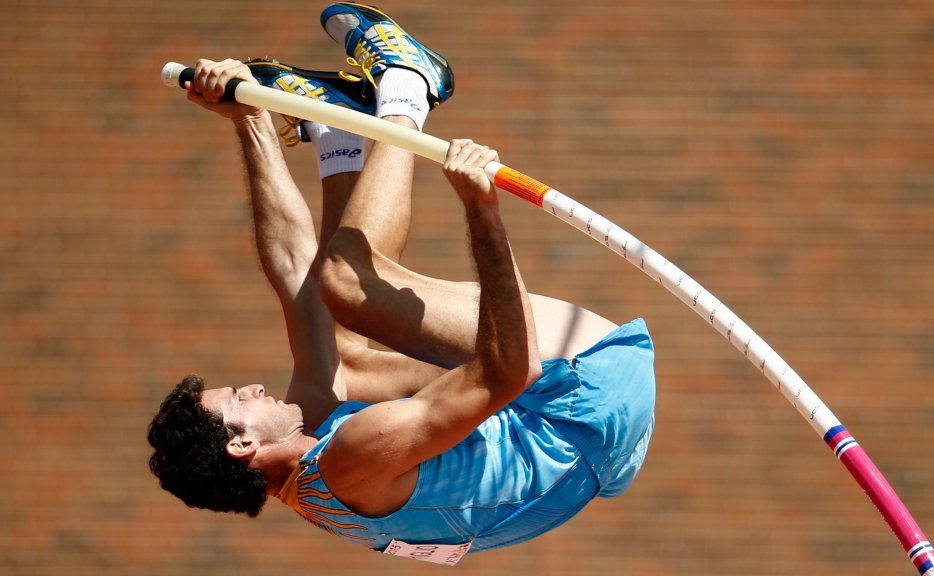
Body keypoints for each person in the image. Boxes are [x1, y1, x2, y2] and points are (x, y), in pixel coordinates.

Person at [147, 2, 656, 565]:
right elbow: (512, 370)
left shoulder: (314, 472)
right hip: (587, 395)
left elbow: (293, 268)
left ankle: (336, 133)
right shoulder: (353, 458)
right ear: (242, 444)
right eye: (239, 399)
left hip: (601, 445)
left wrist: (252, 120)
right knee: (348, 284)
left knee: (335, 353)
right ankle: (409, 87)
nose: (253, 387)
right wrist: (481, 210)